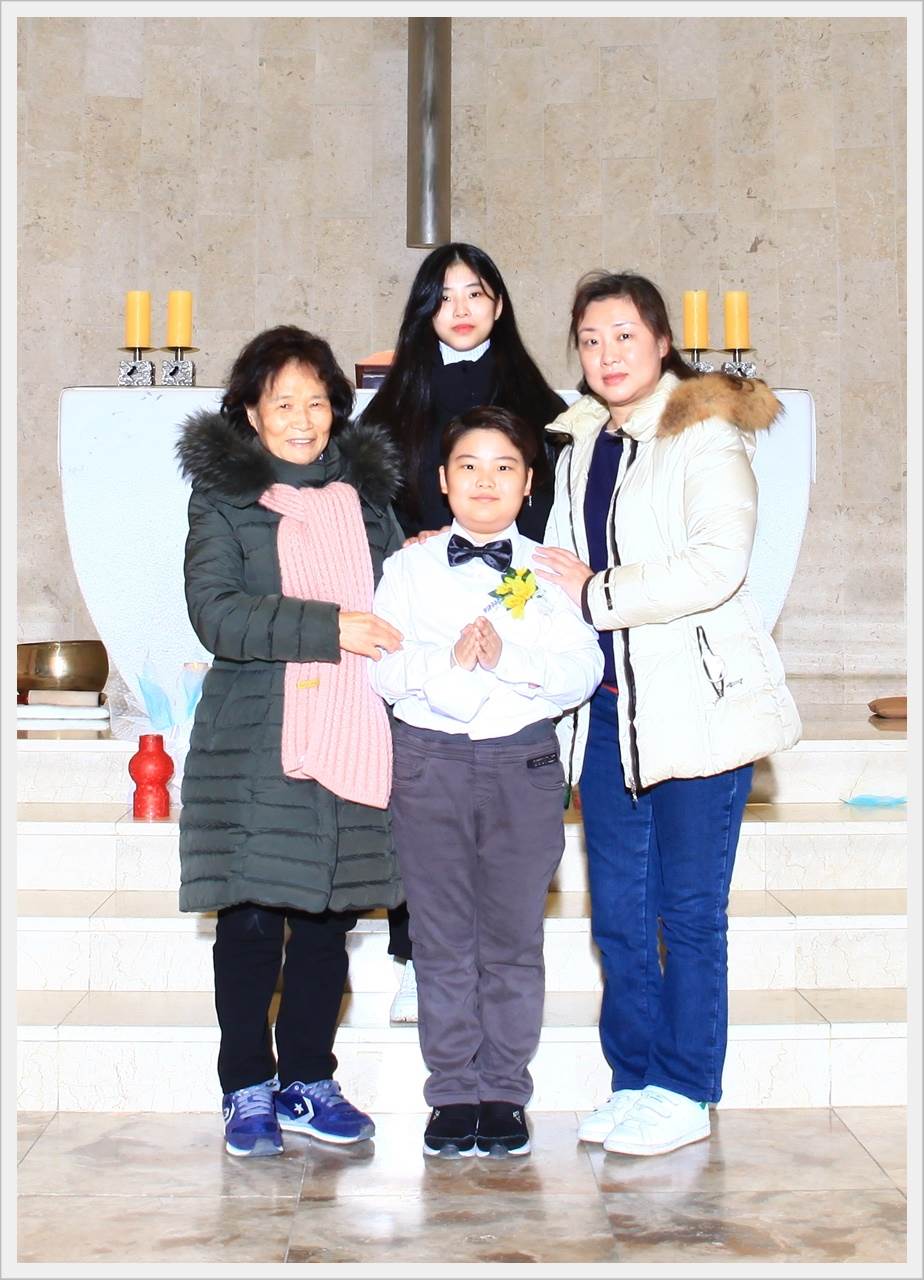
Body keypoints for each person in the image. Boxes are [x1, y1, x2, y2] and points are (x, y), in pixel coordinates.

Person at [533, 272, 801, 1158]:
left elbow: (718, 563)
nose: (606, 354)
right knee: (618, 917)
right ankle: (636, 1080)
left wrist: (599, 593)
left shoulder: (704, 432)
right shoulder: (580, 445)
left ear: (659, 342)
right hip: (611, 716)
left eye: (623, 335)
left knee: (686, 914)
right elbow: (558, 570)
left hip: (698, 712)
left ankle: (686, 1089)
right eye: (590, 339)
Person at [176, 325, 405, 1158]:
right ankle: (245, 1086)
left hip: (350, 729)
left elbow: (401, 599)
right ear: (250, 412)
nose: (302, 420)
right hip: (254, 739)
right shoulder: (225, 500)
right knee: (250, 923)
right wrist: (332, 626)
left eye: (317, 402)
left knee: (325, 922)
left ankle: (309, 1080)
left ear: (337, 410)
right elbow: (217, 614)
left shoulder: (367, 499)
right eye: (283, 404)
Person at [369, 406, 603, 1159]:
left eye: (504, 467)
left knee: (511, 938)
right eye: (468, 465)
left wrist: (508, 659)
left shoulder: (551, 570)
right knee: (440, 938)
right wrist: (452, 665)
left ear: (528, 483)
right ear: (442, 480)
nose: (485, 481)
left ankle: (503, 1090)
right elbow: (382, 670)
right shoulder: (407, 568)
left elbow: (583, 668)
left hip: (521, 765)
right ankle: (450, 1093)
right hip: (428, 762)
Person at [359, 242, 567, 1020]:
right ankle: (415, 955)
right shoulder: (391, 408)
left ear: (499, 304)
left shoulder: (542, 402)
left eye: (476, 292)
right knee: (422, 805)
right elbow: (369, 511)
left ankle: (501, 964)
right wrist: (408, 547)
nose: (462, 308)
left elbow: (551, 507)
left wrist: (512, 593)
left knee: (506, 808)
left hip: (516, 600)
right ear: (424, 311)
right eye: (444, 296)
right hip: (425, 606)